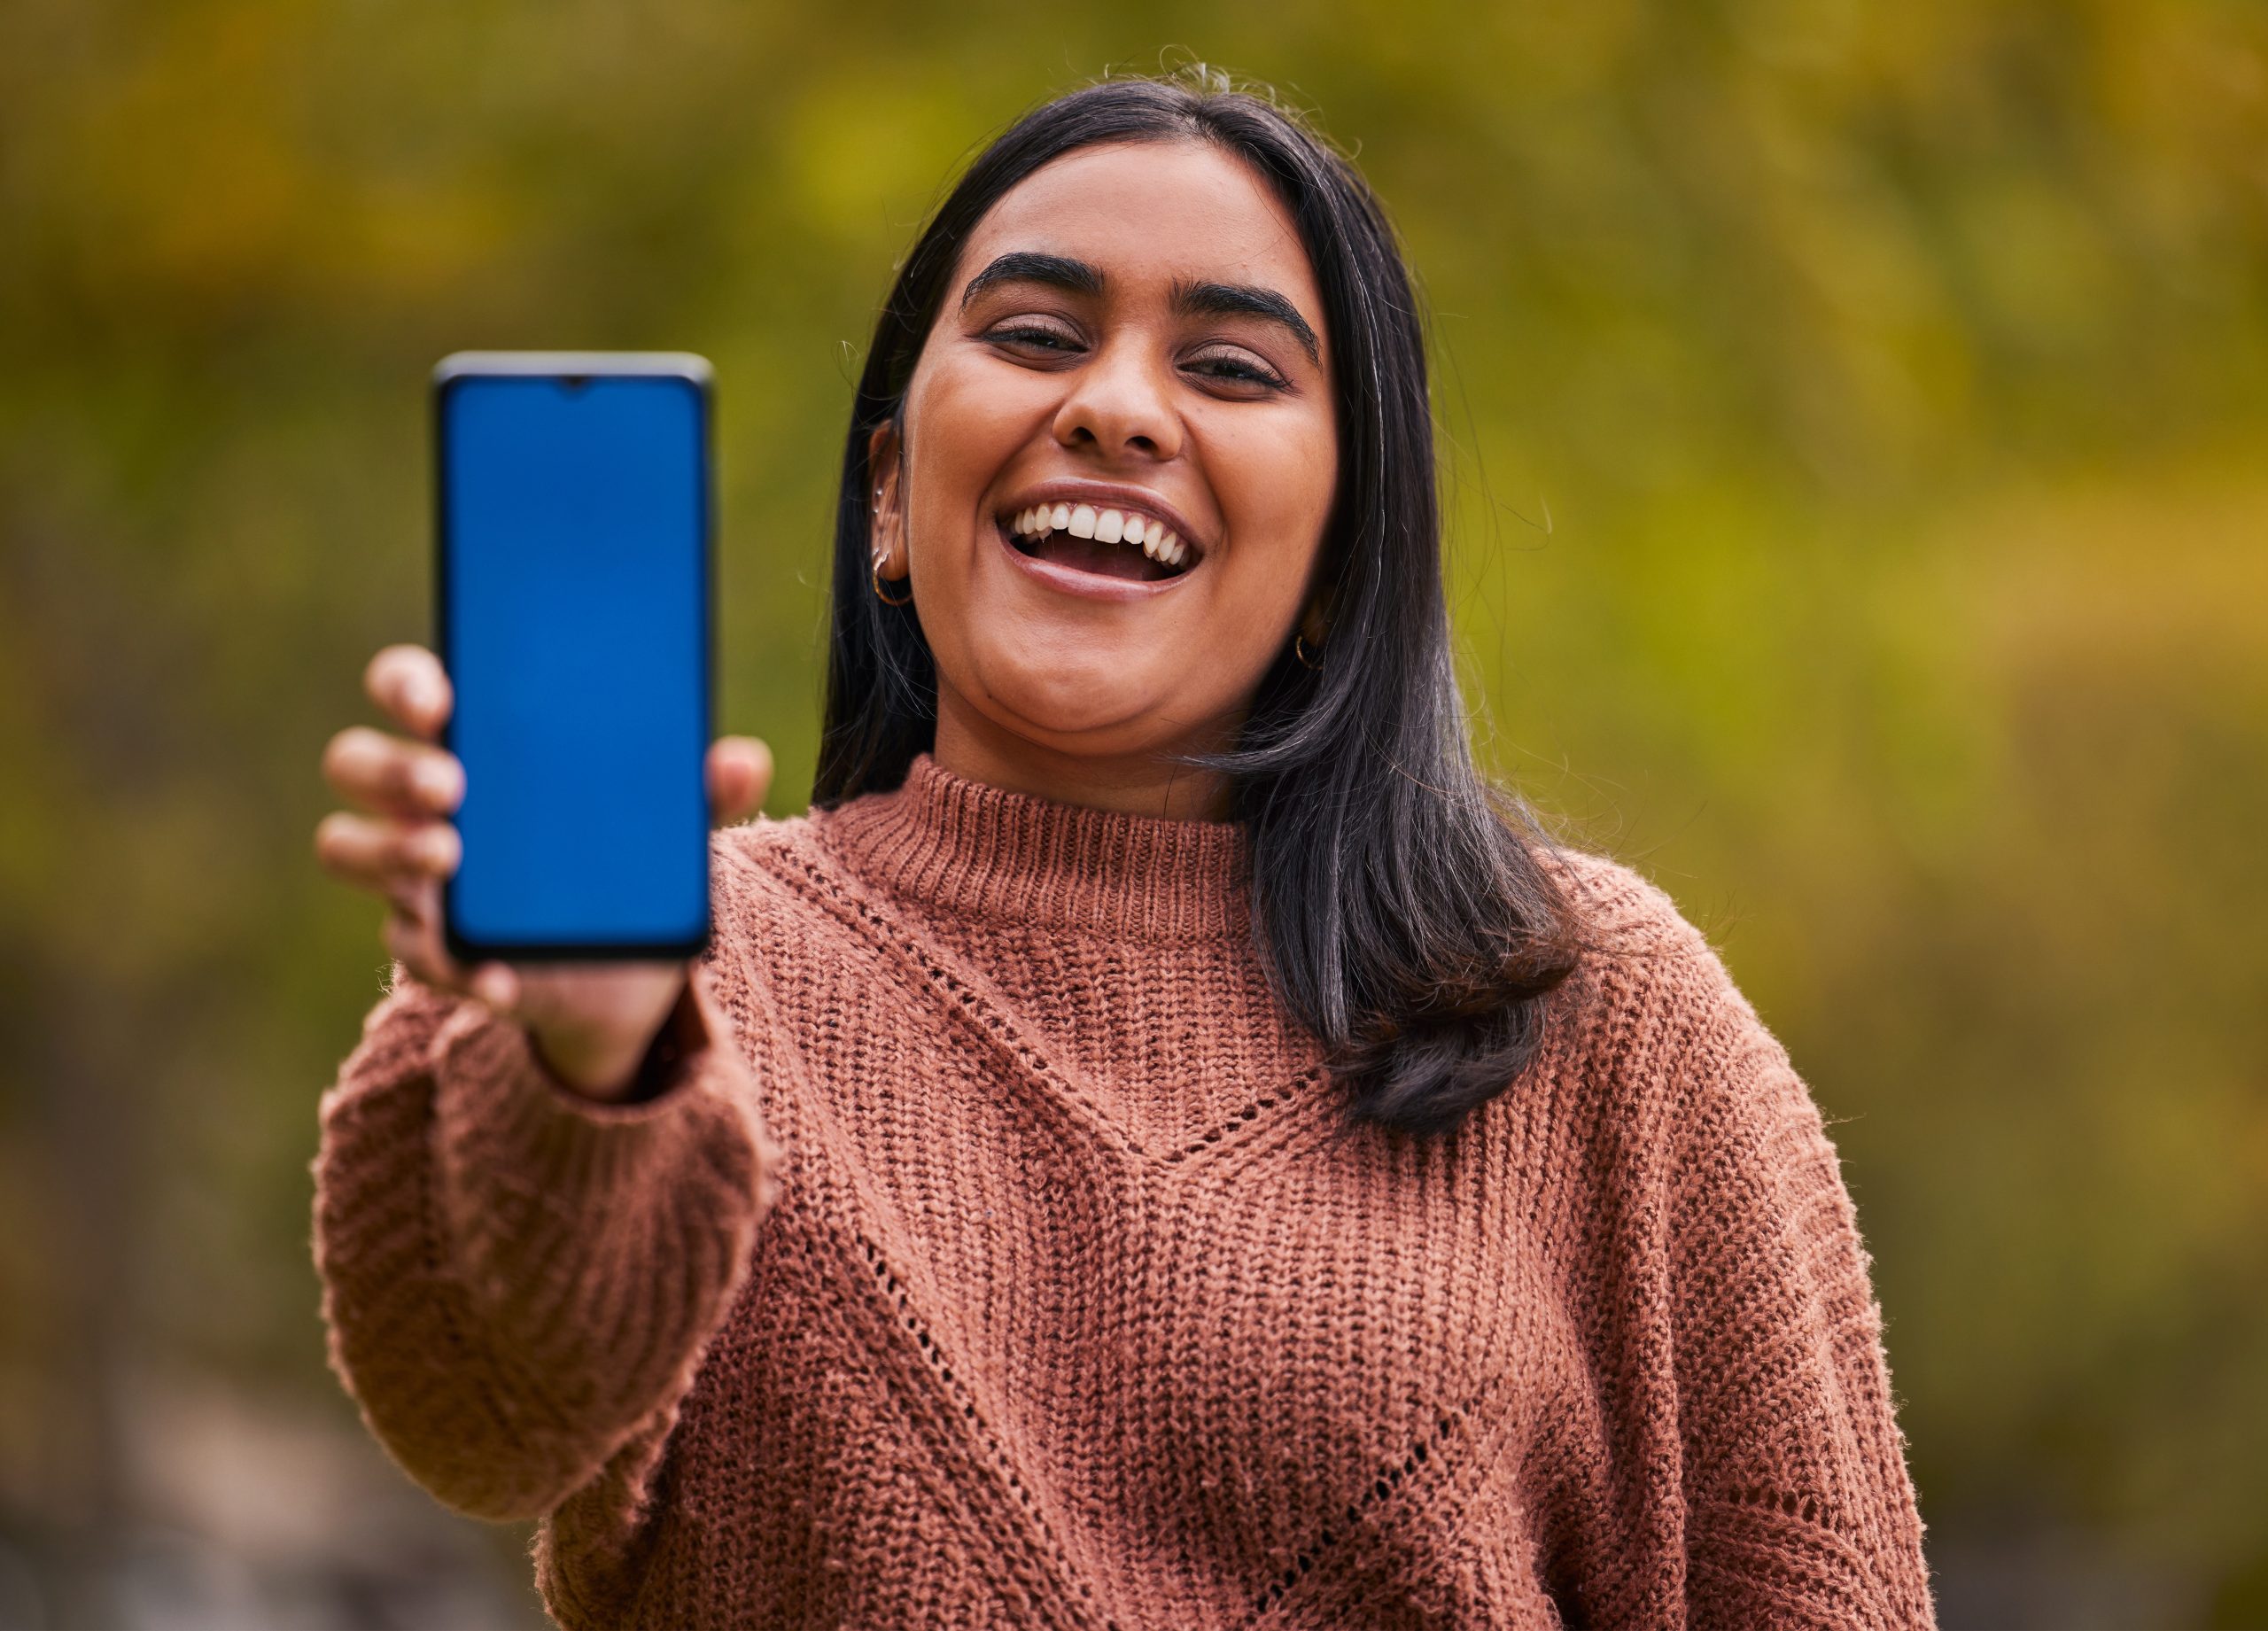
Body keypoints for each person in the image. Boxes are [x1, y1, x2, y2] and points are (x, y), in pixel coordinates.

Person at [309, 68, 1936, 1630]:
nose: (1113, 407)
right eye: (1033, 335)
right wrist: (597, 1064)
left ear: (1338, 556)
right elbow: (482, 1416)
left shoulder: (1591, 1011)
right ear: (889, 492)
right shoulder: (659, 963)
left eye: (1232, 369)